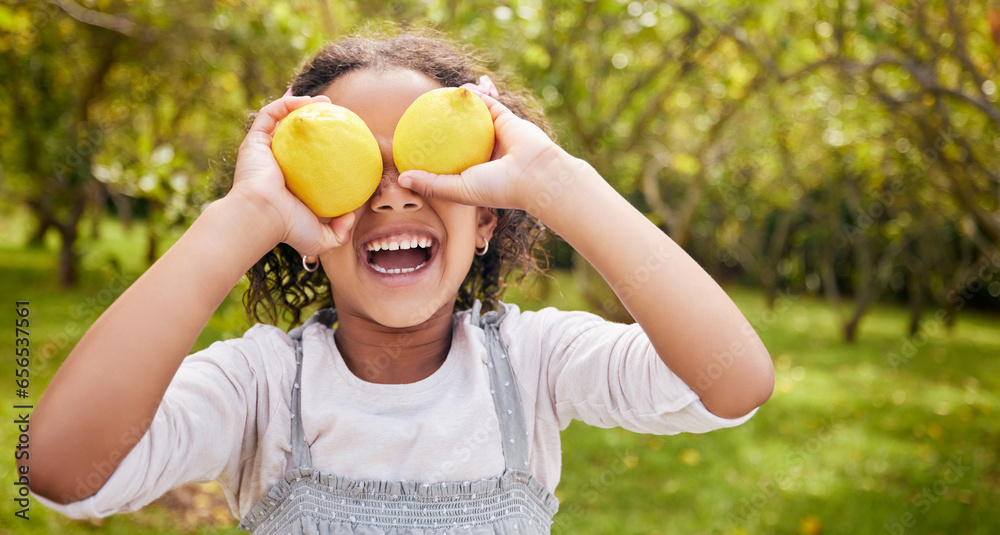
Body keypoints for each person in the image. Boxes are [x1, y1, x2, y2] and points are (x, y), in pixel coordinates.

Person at [25, 28, 774, 534]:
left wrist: (556, 180)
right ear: (305, 224)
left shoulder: (532, 363)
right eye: (355, 166)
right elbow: (63, 469)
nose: (393, 192)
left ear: (487, 217)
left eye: (429, 165)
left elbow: (732, 380)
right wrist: (242, 215)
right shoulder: (260, 383)